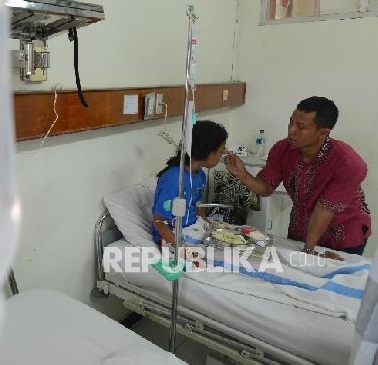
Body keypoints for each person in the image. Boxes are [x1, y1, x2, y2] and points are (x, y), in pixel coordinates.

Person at [226, 96, 371, 257]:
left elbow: (324, 210)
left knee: (325, 272)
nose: (291, 131)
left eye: (300, 127)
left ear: (323, 133)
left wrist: (308, 252)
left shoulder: (347, 162)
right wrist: (242, 174)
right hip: (300, 230)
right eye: (291, 122)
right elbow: (266, 187)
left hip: (342, 237)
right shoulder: (283, 149)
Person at [152, 120, 228, 249]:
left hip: (192, 227)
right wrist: (182, 248)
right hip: (171, 234)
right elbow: (159, 221)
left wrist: (211, 226)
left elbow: (197, 208)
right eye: (221, 151)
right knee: (212, 255)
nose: (222, 155)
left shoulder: (200, 175)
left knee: (224, 242)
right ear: (209, 152)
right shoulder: (174, 179)